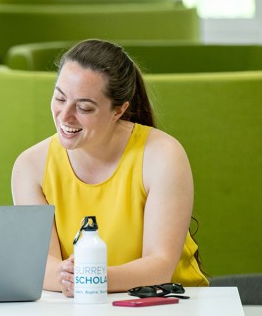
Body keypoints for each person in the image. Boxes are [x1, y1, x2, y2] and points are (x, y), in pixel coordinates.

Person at [11, 39, 209, 295]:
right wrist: (71, 278)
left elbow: (160, 266)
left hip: (173, 305)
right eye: (60, 98)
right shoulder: (30, 166)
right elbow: (41, 266)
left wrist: (89, 279)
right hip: (79, 309)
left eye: (84, 107)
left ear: (119, 110)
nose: (65, 115)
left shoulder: (162, 155)